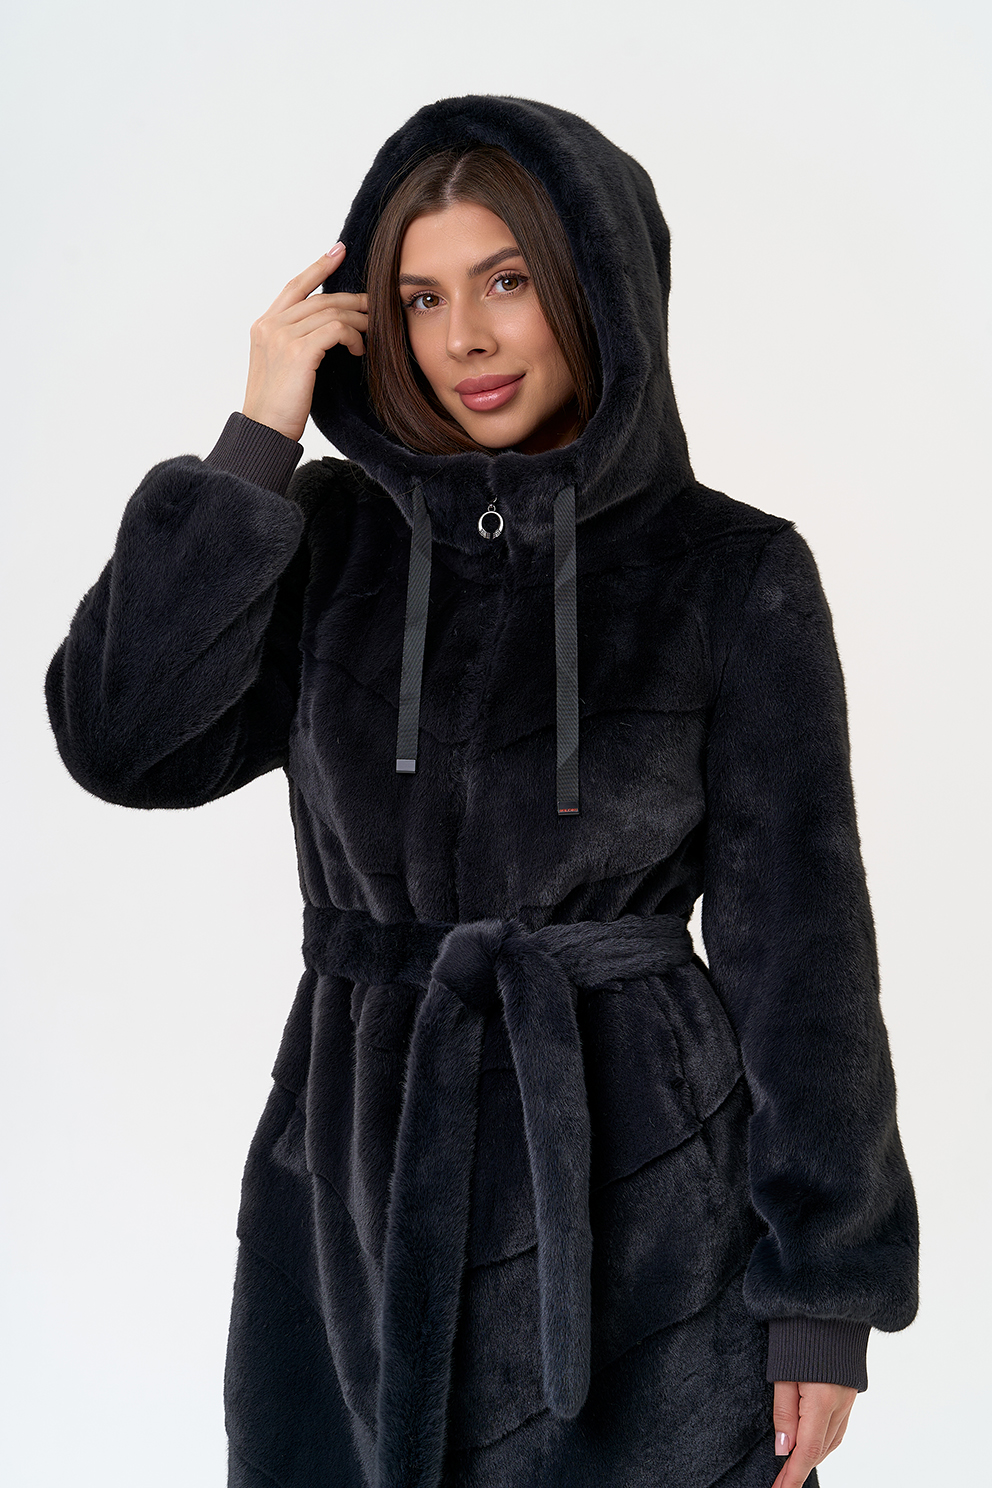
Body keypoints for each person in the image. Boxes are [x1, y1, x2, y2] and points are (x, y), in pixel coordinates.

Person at [45, 95, 919, 1488]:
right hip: (355, 1193)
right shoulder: (327, 542)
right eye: (421, 297)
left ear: (596, 285)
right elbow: (123, 743)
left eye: (507, 281)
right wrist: (257, 442)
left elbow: (803, 950)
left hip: (647, 1208)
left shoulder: (731, 571)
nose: (464, 338)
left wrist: (824, 1289)